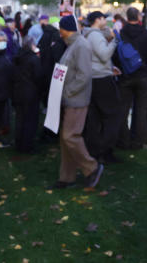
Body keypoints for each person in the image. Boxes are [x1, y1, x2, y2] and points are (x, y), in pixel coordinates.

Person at [52, 15, 103, 189]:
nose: (59, 33)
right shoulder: (73, 44)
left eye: (60, 29)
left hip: (76, 99)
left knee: (70, 136)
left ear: (66, 29)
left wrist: (68, 91)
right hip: (70, 98)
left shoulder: (80, 45)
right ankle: (66, 177)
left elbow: (84, 75)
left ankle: (92, 167)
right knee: (65, 139)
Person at [83, 12, 122, 163]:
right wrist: (114, 42)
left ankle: (94, 150)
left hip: (95, 77)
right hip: (101, 80)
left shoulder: (89, 34)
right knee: (111, 115)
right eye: (104, 18)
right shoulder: (95, 36)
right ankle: (105, 151)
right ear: (97, 20)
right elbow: (104, 55)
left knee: (95, 117)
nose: (106, 20)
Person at [115, 7, 147, 150]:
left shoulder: (122, 33)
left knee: (123, 109)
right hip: (143, 74)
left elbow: (117, 52)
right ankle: (138, 141)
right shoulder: (145, 33)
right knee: (141, 110)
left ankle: (123, 140)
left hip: (126, 75)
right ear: (138, 17)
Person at [11, 36, 49, 154]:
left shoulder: (17, 58)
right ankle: (27, 145)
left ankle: (19, 144)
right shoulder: (34, 59)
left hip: (18, 92)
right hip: (31, 93)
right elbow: (38, 77)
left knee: (20, 119)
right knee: (30, 120)